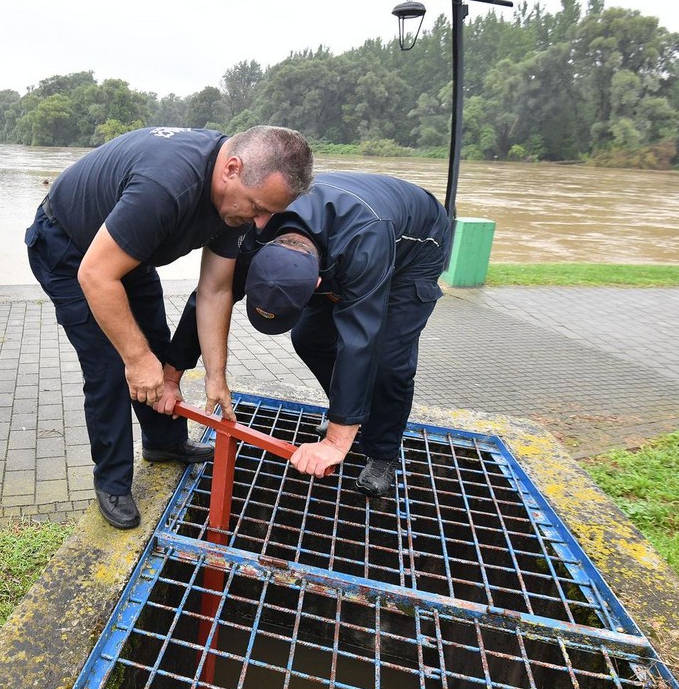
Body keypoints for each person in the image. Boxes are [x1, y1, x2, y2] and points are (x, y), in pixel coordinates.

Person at [26, 126, 313, 529]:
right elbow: (96, 274)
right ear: (232, 168)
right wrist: (135, 358)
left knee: (158, 349)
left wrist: (216, 376)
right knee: (112, 366)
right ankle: (112, 481)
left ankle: (164, 442)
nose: (261, 223)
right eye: (257, 207)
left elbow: (215, 290)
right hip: (70, 250)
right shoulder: (166, 186)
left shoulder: (239, 199)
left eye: (269, 212)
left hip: (128, 251)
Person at [163, 171, 450, 497]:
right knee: (309, 337)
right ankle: (353, 413)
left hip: (414, 246)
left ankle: (381, 450)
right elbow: (209, 295)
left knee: (387, 360)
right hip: (334, 237)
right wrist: (172, 377)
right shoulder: (256, 229)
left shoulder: (363, 242)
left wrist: (334, 443)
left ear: (317, 285)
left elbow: (360, 339)